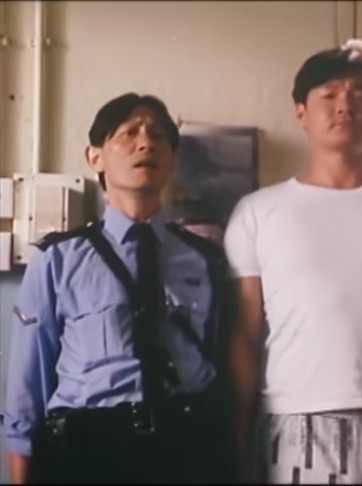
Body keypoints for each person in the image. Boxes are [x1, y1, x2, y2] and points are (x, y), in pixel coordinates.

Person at [223, 39, 362, 484]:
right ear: (301, 113)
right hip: (295, 422)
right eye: (329, 95)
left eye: (360, 95)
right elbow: (244, 341)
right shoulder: (257, 212)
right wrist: (239, 443)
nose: (345, 106)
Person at [2, 93, 238, 484]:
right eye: (129, 133)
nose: (146, 144)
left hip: (186, 447)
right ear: (95, 157)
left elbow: (224, 368)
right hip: (88, 452)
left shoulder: (205, 259)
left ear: (172, 159)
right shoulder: (56, 259)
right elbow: (27, 386)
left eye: (158, 136)